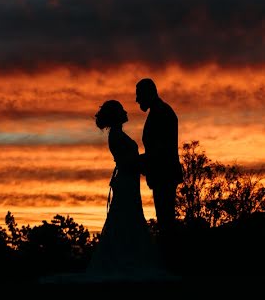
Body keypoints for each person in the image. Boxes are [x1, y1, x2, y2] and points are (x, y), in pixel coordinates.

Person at [41, 100, 175, 283]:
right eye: (121, 110)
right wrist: (148, 159)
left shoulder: (118, 134)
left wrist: (143, 162)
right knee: (126, 218)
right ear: (116, 115)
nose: (126, 111)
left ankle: (129, 257)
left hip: (129, 182)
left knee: (128, 219)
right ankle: (126, 261)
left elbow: (130, 162)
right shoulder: (116, 136)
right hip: (126, 182)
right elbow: (127, 163)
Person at [136, 78, 183, 236]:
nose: (137, 100)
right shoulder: (158, 111)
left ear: (148, 93)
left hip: (165, 174)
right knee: (164, 220)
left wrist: (139, 162)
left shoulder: (162, 112)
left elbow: (161, 149)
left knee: (166, 222)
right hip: (161, 174)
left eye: (139, 95)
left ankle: (170, 256)